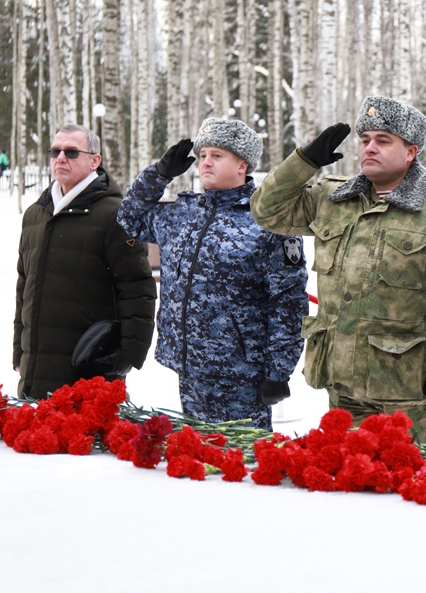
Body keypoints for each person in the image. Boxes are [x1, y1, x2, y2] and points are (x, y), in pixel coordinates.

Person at [250, 96, 426, 442]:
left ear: (411, 151)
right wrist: (304, 162)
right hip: (341, 382)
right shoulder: (331, 199)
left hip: (407, 387)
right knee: (352, 479)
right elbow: (266, 210)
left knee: (409, 482)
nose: (369, 148)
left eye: (383, 141)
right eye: (365, 140)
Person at [117, 118, 308, 431]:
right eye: (202, 154)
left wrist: (279, 371)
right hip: (188, 367)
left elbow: (288, 303)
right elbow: (129, 218)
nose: (205, 162)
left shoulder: (268, 222)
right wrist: (159, 174)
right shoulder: (182, 213)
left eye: (217, 156)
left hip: (241, 377)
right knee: (197, 463)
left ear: (242, 166)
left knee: (238, 466)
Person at [13, 125, 156, 399]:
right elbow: (24, 288)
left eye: (71, 152)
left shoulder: (115, 215)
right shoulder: (35, 215)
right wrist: (19, 352)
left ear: (95, 161)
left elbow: (138, 288)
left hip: (88, 371)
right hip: (34, 373)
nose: (61, 158)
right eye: (55, 151)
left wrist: (129, 355)